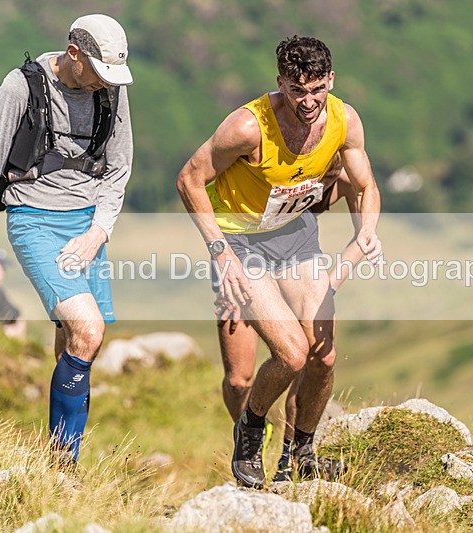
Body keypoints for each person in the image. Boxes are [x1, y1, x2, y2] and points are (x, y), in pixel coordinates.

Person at [178, 35, 381, 488]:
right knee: (290, 354)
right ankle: (250, 429)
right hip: (240, 242)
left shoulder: (344, 120)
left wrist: (366, 231)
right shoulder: (247, 127)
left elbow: (365, 185)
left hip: (294, 236)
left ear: (331, 80)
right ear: (281, 83)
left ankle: (302, 454)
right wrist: (220, 252)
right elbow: (189, 179)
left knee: (323, 357)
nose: (308, 102)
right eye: (297, 90)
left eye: (317, 90)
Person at [0, 14, 134, 465]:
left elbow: (119, 166)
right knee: (89, 330)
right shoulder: (20, 89)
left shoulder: (111, 85)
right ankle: (64, 463)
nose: (106, 84)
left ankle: (55, 463)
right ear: (74, 54)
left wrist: (99, 231)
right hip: (34, 218)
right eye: (99, 73)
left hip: (87, 224)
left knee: (75, 337)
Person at [215, 161, 365, 482]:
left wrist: (328, 287)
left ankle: (290, 460)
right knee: (239, 380)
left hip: (296, 265)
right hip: (246, 257)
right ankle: (249, 435)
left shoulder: (347, 175)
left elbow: (363, 238)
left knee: (310, 358)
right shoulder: (284, 161)